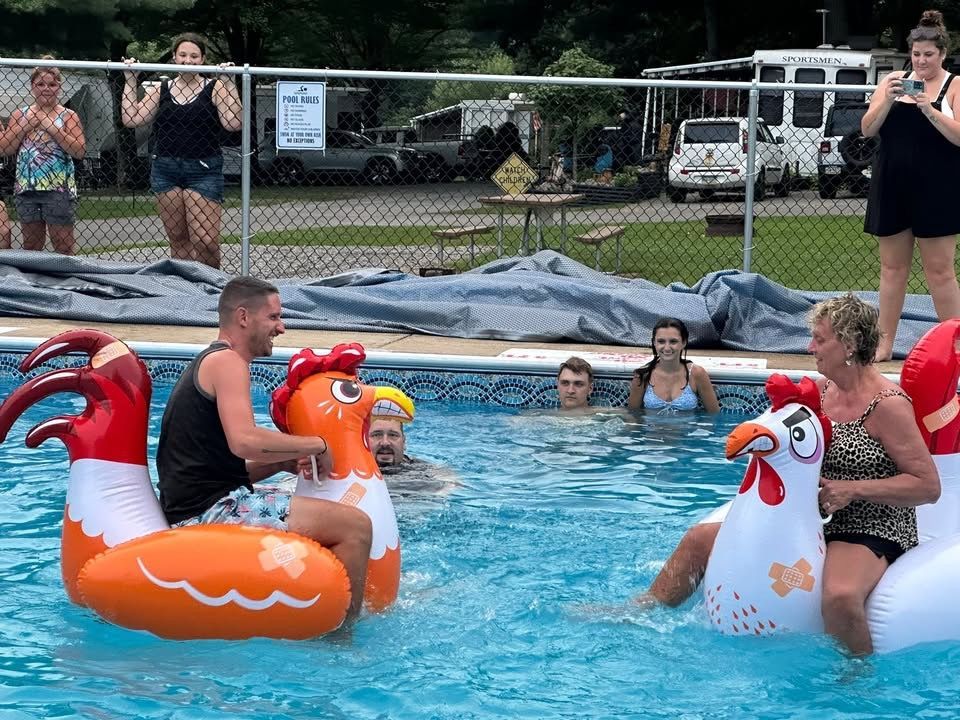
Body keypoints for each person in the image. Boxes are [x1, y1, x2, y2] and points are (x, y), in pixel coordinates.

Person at [633, 294, 939, 655]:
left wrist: (854, 490)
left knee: (840, 595)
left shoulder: (888, 405)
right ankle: (638, 613)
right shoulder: (823, 391)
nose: (811, 347)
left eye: (820, 339)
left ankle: (856, 679)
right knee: (699, 539)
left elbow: (927, 485)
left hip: (869, 524)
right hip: (809, 517)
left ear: (851, 344)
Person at [156, 276, 373, 619]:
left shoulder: (209, 361)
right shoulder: (228, 363)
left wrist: (281, 463)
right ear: (243, 317)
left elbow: (213, 469)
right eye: (273, 317)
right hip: (208, 515)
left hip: (200, 505)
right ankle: (342, 636)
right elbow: (245, 441)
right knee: (355, 526)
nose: (282, 328)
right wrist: (317, 444)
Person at [862, 10, 960, 362]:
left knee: (940, 271)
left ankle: (955, 346)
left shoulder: (954, 85)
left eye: (928, 55)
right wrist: (888, 99)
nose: (921, 61)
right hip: (893, 186)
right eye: (916, 55)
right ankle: (885, 343)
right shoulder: (892, 81)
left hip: (938, 189)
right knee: (892, 269)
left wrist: (930, 109)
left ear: (942, 54)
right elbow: (867, 129)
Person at [121, 33, 242, 269]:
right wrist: (130, 80)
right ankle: (185, 290)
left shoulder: (214, 88)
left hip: (203, 170)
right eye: (183, 55)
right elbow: (131, 118)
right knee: (178, 239)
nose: (188, 60)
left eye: (194, 56)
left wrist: (229, 83)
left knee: (206, 241)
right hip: (166, 169)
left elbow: (233, 122)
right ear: (175, 58)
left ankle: (212, 285)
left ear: (203, 60)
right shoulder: (161, 89)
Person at [0, 58, 85, 255]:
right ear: (32, 86)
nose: (46, 89)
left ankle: (66, 282)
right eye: (40, 84)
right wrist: (23, 127)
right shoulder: (20, 115)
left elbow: (79, 151)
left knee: (63, 246)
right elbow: (6, 149)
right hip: (26, 187)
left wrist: (53, 129)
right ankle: (33, 284)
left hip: (58, 189)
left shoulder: (68, 115)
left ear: (59, 87)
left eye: (52, 84)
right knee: (31, 246)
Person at [627, 318, 720, 413]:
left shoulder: (696, 374)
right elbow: (633, 417)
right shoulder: (643, 376)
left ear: (684, 342)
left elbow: (714, 417)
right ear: (654, 343)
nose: (667, 348)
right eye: (661, 341)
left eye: (673, 341)